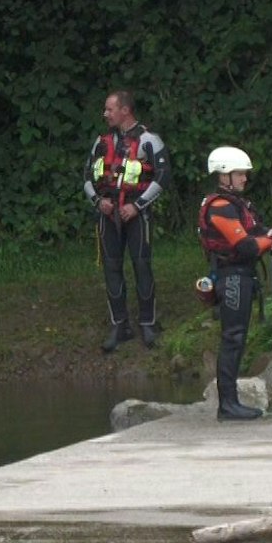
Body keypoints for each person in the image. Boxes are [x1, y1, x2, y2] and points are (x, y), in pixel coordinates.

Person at [198, 146, 272, 421]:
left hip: (242, 275)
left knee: (237, 337)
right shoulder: (220, 207)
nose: (245, 178)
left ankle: (230, 402)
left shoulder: (238, 204)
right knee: (233, 338)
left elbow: (255, 231)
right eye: (239, 173)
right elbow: (246, 246)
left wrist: (271, 232)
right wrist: (269, 240)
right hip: (231, 276)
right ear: (224, 176)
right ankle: (227, 404)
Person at [82, 90, 171, 351]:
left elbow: (162, 177)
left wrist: (137, 205)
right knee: (111, 267)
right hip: (108, 214)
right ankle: (120, 326)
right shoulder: (101, 142)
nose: (105, 114)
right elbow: (87, 177)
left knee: (142, 265)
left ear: (125, 110)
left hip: (137, 213)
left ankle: (147, 323)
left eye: (109, 109)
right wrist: (99, 201)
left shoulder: (149, 140)